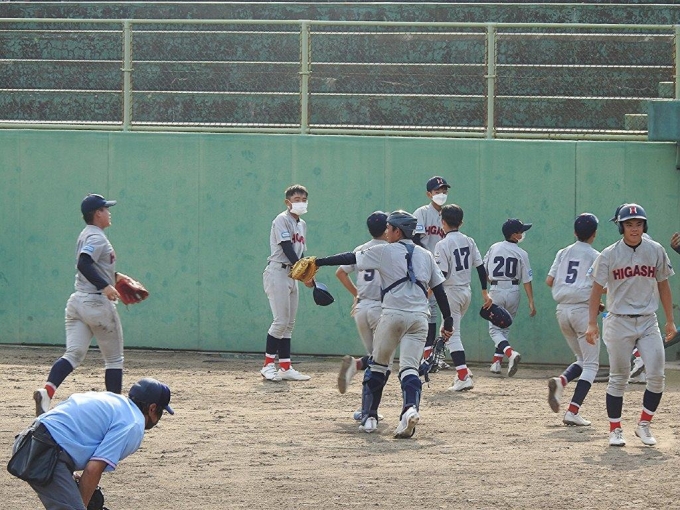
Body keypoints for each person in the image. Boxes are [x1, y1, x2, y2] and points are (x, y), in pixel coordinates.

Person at [305, 211, 453, 438]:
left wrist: (318, 261)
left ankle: (370, 418)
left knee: (378, 365)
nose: (386, 232)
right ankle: (409, 410)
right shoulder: (425, 254)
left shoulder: (384, 250)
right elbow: (439, 291)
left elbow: (350, 258)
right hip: (419, 318)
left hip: (392, 315)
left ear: (397, 231)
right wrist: (448, 321)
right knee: (410, 369)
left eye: (389, 228)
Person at [33, 193, 134, 417]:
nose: (109, 213)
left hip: (77, 302)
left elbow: (92, 265)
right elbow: (84, 263)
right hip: (96, 303)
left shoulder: (86, 234)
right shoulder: (97, 237)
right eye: (105, 209)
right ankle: (115, 411)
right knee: (114, 360)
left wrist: (114, 277)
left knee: (73, 354)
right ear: (97, 213)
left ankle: (47, 392)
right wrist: (105, 286)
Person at [585, 203, 676, 447]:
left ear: (644, 226)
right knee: (619, 377)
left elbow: (664, 285)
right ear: (621, 227)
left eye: (638, 224)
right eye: (629, 224)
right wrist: (592, 323)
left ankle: (644, 425)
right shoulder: (609, 254)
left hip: (648, 321)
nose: (634, 228)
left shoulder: (655, 250)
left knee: (657, 375)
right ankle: (615, 429)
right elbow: (595, 290)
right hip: (618, 320)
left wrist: (670, 320)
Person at [11, 377, 174, 509]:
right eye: (161, 411)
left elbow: (69, 428)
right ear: (152, 408)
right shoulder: (134, 423)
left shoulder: (114, 401)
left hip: (29, 441)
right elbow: (93, 470)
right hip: (45, 453)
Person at [545, 213, 601, 426]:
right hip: (582, 312)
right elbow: (601, 286)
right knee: (591, 365)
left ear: (575, 232)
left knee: (582, 359)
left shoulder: (563, 252)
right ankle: (572, 411)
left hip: (562, 311)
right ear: (594, 234)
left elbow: (549, 280)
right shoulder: (596, 255)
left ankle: (561, 381)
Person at [433, 204, 492, 391]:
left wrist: (428, 292)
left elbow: (441, 274)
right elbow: (480, 268)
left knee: (452, 335)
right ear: (461, 222)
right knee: (447, 330)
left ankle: (463, 376)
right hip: (466, 292)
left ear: (443, 222)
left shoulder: (442, 244)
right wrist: (485, 291)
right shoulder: (469, 240)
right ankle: (464, 369)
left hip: (451, 293)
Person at [261, 184, 314, 382]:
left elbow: (300, 253)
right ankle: (267, 366)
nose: (300, 203)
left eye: (304, 200)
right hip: (277, 271)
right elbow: (286, 248)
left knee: (289, 324)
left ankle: (285, 367)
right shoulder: (281, 219)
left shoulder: (302, 224)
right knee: (280, 321)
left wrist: (306, 274)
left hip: (292, 274)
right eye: (296, 199)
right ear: (287, 202)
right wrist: (304, 273)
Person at [335, 211, 388, 398]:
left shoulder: (361, 249)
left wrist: (357, 294)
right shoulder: (391, 249)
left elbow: (340, 273)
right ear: (388, 229)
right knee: (382, 361)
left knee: (374, 358)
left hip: (361, 308)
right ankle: (357, 365)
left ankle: (366, 405)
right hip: (380, 309)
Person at [483, 218, 536, 376]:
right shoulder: (522, 253)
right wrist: (531, 301)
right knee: (504, 327)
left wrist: (491, 283)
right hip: (513, 290)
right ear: (514, 235)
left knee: (495, 330)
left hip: (496, 289)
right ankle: (497, 363)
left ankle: (510, 353)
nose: (523, 233)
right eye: (520, 231)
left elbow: (483, 271)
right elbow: (527, 280)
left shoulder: (494, 247)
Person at [413, 176, 451, 369]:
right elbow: (415, 239)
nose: (441, 194)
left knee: (437, 313)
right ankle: (424, 356)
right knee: (427, 311)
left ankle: (430, 356)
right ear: (429, 194)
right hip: (424, 267)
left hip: (441, 269)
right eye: (437, 191)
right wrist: (427, 258)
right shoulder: (422, 213)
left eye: (444, 191)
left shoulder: (449, 214)